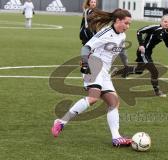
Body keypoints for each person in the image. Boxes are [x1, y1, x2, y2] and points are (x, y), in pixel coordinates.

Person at [51, 8, 132, 147]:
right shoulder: (105, 33)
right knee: (93, 97)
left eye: (129, 24)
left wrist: (125, 65)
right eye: (126, 23)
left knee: (114, 102)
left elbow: (119, 51)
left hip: (104, 71)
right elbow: (86, 48)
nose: (127, 26)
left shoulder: (122, 36)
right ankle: (61, 122)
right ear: (118, 20)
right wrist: (84, 63)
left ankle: (116, 137)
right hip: (93, 65)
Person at [117, 15, 168, 97]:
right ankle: (157, 92)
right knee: (154, 71)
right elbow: (139, 31)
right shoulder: (154, 28)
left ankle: (123, 71)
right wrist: (141, 45)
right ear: (161, 21)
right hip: (143, 52)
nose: (167, 24)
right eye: (165, 22)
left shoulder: (165, 34)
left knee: (139, 70)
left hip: (148, 53)